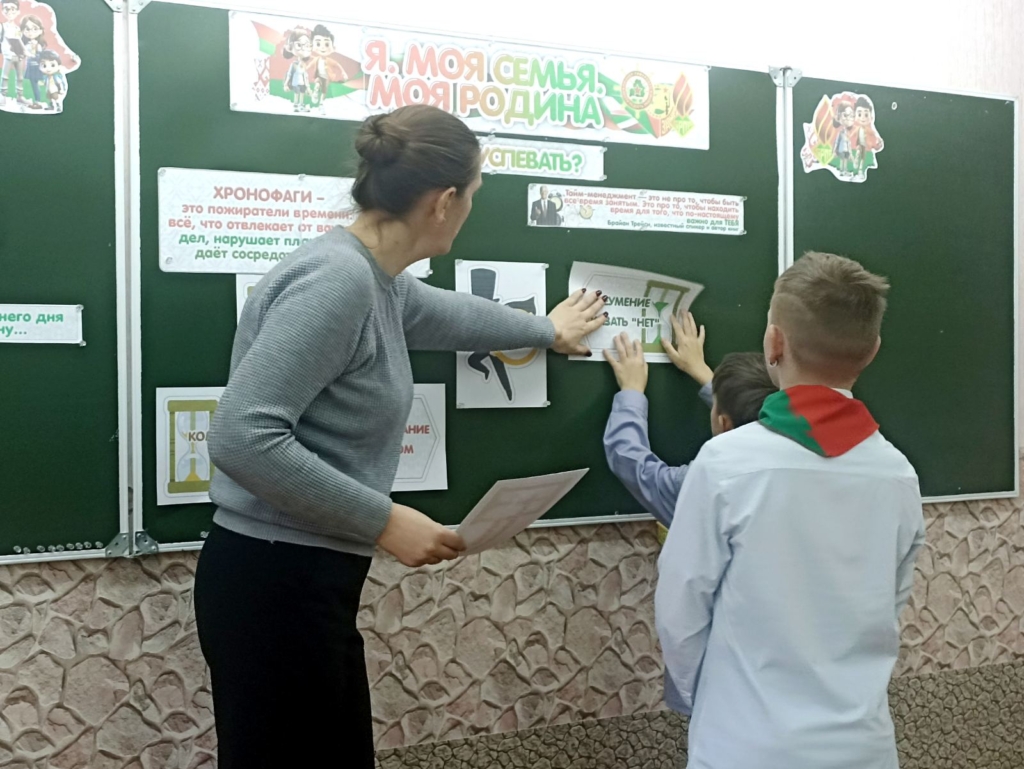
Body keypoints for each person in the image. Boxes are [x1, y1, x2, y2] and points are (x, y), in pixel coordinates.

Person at [194, 104, 607, 769]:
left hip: (306, 579)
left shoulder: (375, 281)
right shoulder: (338, 282)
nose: (470, 209)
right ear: (444, 202)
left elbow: (453, 316)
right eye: (472, 195)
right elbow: (243, 435)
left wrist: (546, 331)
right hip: (274, 583)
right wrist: (385, 520)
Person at [655, 252, 925, 769]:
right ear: (873, 351)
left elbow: (680, 610)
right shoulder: (899, 474)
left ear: (773, 343)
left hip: (745, 745)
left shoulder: (726, 463)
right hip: (861, 748)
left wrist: (707, 698)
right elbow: (889, 608)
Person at [603, 312, 775, 527]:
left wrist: (631, 390)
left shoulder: (706, 481)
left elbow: (630, 462)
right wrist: (702, 371)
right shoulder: (798, 453)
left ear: (723, 423)